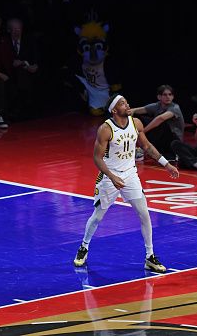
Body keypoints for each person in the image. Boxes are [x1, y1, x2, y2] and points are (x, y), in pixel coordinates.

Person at [73, 94, 179, 273]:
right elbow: (97, 158)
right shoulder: (105, 129)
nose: (127, 104)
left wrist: (166, 164)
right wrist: (112, 177)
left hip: (130, 175)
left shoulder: (136, 123)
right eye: (122, 103)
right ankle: (84, 246)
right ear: (114, 110)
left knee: (144, 214)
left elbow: (147, 146)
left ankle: (150, 256)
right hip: (109, 177)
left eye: (126, 101)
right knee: (98, 216)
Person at [129, 84, 185, 160]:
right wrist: (129, 112)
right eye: (165, 95)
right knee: (138, 117)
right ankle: (136, 146)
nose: (168, 97)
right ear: (159, 97)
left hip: (173, 140)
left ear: (173, 96)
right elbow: (138, 110)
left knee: (161, 122)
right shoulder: (157, 105)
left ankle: (171, 154)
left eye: (170, 94)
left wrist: (142, 132)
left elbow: (160, 118)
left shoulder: (175, 107)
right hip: (160, 138)